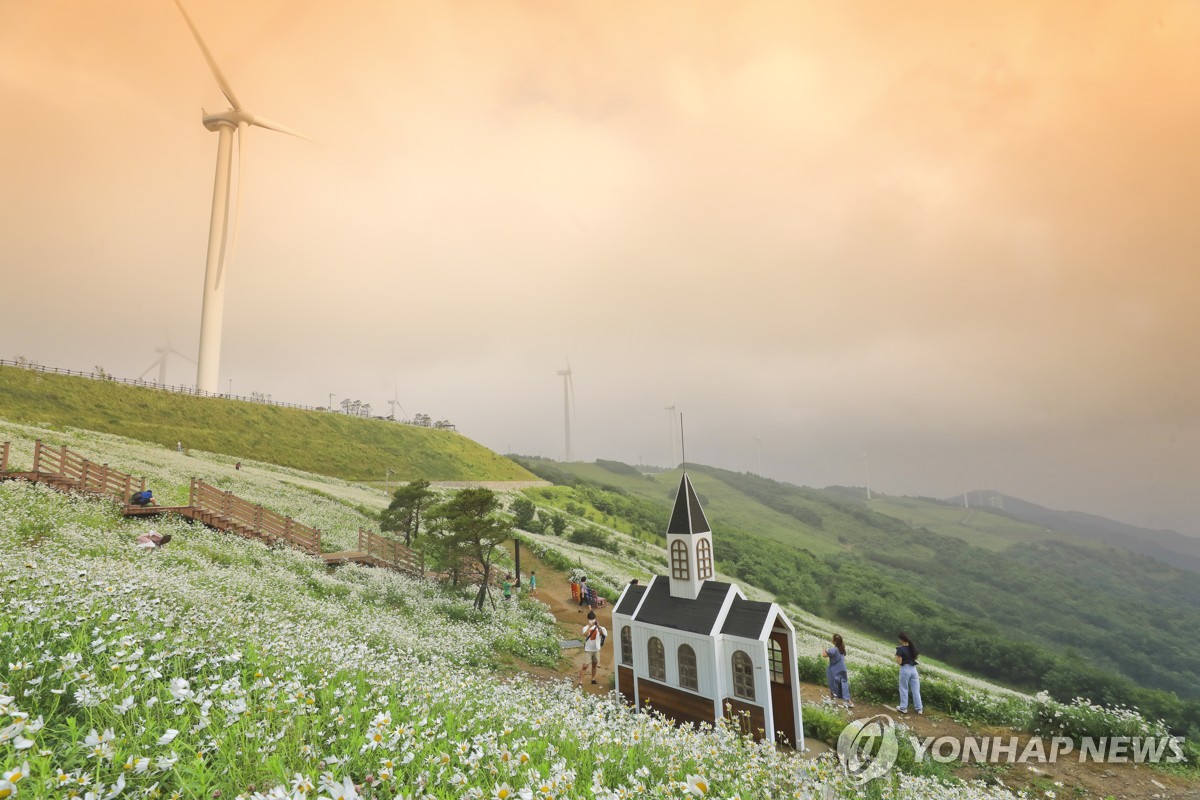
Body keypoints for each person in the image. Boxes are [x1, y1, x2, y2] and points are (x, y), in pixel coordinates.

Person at [895, 631, 923, 715]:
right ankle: (919, 709)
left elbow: (899, 662)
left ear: (901, 640)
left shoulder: (900, 649)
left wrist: (897, 657)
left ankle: (903, 707)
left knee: (903, 688)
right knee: (916, 690)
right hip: (914, 669)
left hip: (905, 669)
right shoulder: (912, 648)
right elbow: (916, 658)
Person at [821, 634, 852, 708]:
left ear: (834, 641)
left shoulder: (833, 649)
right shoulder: (842, 649)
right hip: (842, 669)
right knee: (843, 684)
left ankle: (832, 700)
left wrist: (823, 649)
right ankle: (849, 702)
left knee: (833, 683)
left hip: (834, 669)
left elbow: (824, 655)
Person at [578, 610, 607, 687]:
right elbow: (585, 635)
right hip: (588, 650)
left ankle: (593, 679)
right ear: (588, 619)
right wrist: (590, 626)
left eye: (593, 619)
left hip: (596, 649)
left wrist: (598, 627)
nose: (592, 621)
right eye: (590, 619)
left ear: (595, 618)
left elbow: (602, 634)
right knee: (585, 666)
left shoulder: (599, 627)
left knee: (594, 664)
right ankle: (580, 682)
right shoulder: (586, 628)